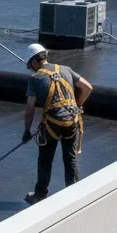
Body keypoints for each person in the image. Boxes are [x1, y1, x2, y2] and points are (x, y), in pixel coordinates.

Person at [22, 43, 93, 204]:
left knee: (45, 159)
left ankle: (40, 195)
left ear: (33, 62)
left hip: (52, 124)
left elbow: (30, 109)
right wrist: (77, 106)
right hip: (72, 121)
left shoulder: (35, 78)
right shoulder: (65, 69)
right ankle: (74, 195)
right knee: (71, 158)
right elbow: (88, 88)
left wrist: (27, 130)